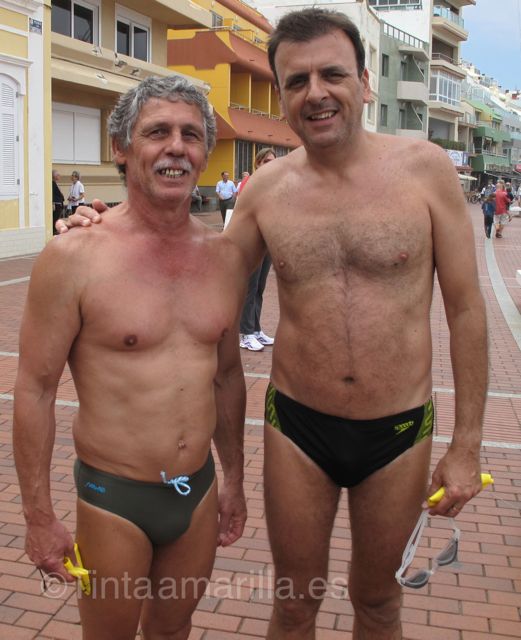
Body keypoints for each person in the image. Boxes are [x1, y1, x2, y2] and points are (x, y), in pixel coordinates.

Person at [57, 9, 488, 640]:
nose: (316, 93)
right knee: (293, 604)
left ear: (365, 82)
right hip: (297, 428)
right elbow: (194, 270)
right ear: (282, 96)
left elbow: (467, 309)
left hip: (398, 428)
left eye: (332, 74)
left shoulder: (425, 171)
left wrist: (467, 444)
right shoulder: (265, 190)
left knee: (378, 604)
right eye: (296, 81)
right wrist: (104, 227)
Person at [14, 75, 248, 640]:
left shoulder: (224, 257)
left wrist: (235, 478)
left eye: (191, 135)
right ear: (120, 147)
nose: (177, 147)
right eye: (157, 132)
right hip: (113, 497)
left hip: (197, 491)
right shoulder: (73, 255)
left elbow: (226, 376)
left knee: (174, 630)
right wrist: (39, 516)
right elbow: (35, 389)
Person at [238, 148, 277, 352]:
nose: (271, 165)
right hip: (252, 240)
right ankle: (246, 333)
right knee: (250, 288)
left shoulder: (275, 184)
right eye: (267, 161)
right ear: (258, 163)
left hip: (267, 240)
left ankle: (255, 328)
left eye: (273, 161)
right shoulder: (250, 182)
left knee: (260, 288)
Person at [52, 169, 65, 235]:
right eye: (58, 175)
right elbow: (54, 194)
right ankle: (54, 230)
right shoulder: (53, 183)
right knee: (55, 218)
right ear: (54, 176)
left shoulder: (55, 183)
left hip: (59, 203)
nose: (59, 176)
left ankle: (55, 230)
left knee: (57, 217)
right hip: (56, 204)